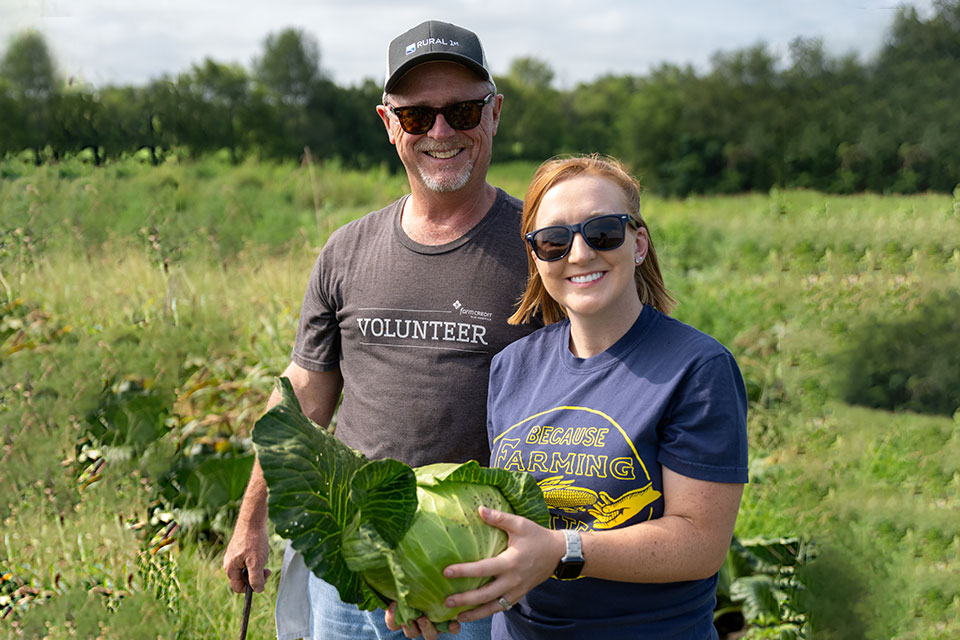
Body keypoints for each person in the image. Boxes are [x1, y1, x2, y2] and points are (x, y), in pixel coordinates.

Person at [223, 20, 538, 640]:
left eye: (463, 110)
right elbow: (303, 398)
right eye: (418, 117)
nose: (441, 132)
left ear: (495, 113)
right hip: (353, 556)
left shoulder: (543, 248)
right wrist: (251, 518)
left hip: (475, 564)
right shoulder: (347, 249)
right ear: (389, 124)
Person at [433, 154, 749, 638]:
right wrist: (433, 590)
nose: (579, 254)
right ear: (536, 260)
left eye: (602, 232)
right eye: (554, 241)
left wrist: (563, 550)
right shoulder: (512, 367)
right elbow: (505, 523)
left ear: (638, 242)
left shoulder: (697, 368)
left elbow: (701, 542)